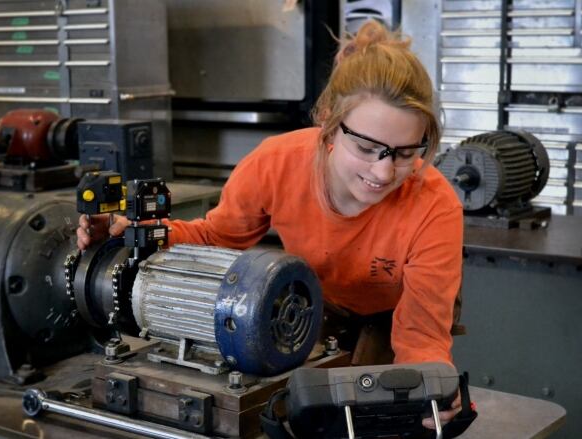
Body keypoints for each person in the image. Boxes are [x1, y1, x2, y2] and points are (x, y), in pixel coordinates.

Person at [77, 20, 464, 429]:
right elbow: (215, 238)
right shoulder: (275, 164)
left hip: (389, 321)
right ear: (329, 123)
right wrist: (138, 236)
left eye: (405, 153)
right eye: (367, 148)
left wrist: (429, 385)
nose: (384, 172)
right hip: (305, 314)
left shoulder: (433, 205)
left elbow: (421, 331)